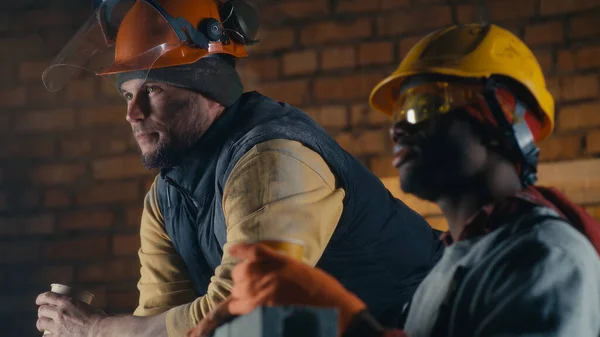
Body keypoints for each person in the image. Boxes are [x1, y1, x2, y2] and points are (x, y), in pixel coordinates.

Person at [34, 0, 444, 336]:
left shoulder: (274, 160)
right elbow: (161, 321)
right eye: (126, 95)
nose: (133, 114)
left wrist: (98, 330)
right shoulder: (165, 198)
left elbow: (243, 309)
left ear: (207, 90)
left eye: (152, 90)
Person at [205, 23, 600, 337]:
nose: (398, 128)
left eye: (422, 106)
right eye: (398, 113)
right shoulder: (452, 265)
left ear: (504, 120)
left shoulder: (547, 258)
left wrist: (353, 324)